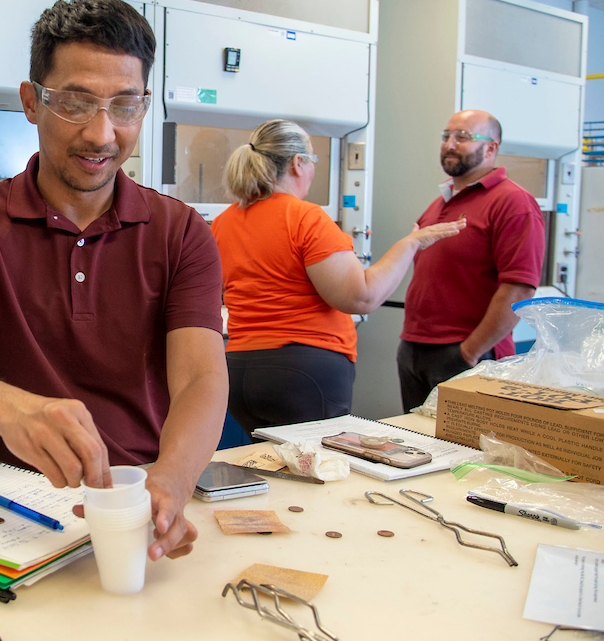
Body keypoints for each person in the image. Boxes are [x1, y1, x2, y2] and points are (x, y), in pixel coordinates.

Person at [0, 0, 228, 562]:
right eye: (75, 103)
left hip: (136, 500)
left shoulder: (181, 233)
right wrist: (9, 407)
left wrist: (172, 479)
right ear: (31, 101)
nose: (101, 134)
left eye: (125, 106)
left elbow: (200, 379)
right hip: (5, 510)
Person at [211, 119, 464, 436]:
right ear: (297, 163)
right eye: (313, 160)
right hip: (302, 372)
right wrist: (411, 243)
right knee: (316, 473)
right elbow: (360, 297)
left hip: (241, 372)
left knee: (276, 471)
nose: (314, 170)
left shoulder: (224, 222)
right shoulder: (304, 217)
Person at [397, 110, 545, 413]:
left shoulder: (513, 202)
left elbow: (519, 289)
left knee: (464, 453)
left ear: (491, 148)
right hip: (415, 349)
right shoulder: (441, 202)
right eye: (446, 136)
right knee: (418, 449)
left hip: (466, 355)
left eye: (463, 137)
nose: (450, 144)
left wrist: (469, 352)